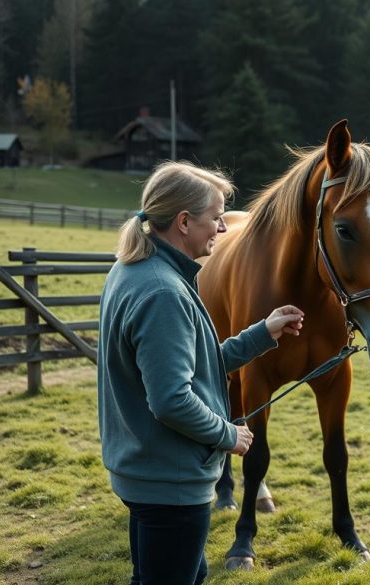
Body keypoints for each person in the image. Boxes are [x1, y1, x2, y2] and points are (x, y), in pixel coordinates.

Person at [97, 161, 304, 585]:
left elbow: (195, 363)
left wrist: (263, 333)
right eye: (216, 218)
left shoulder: (137, 269)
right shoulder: (162, 293)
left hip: (147, 473)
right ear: (184, 221)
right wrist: (229, 434)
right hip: (169, 482)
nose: (223, 229)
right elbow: (172, 398)